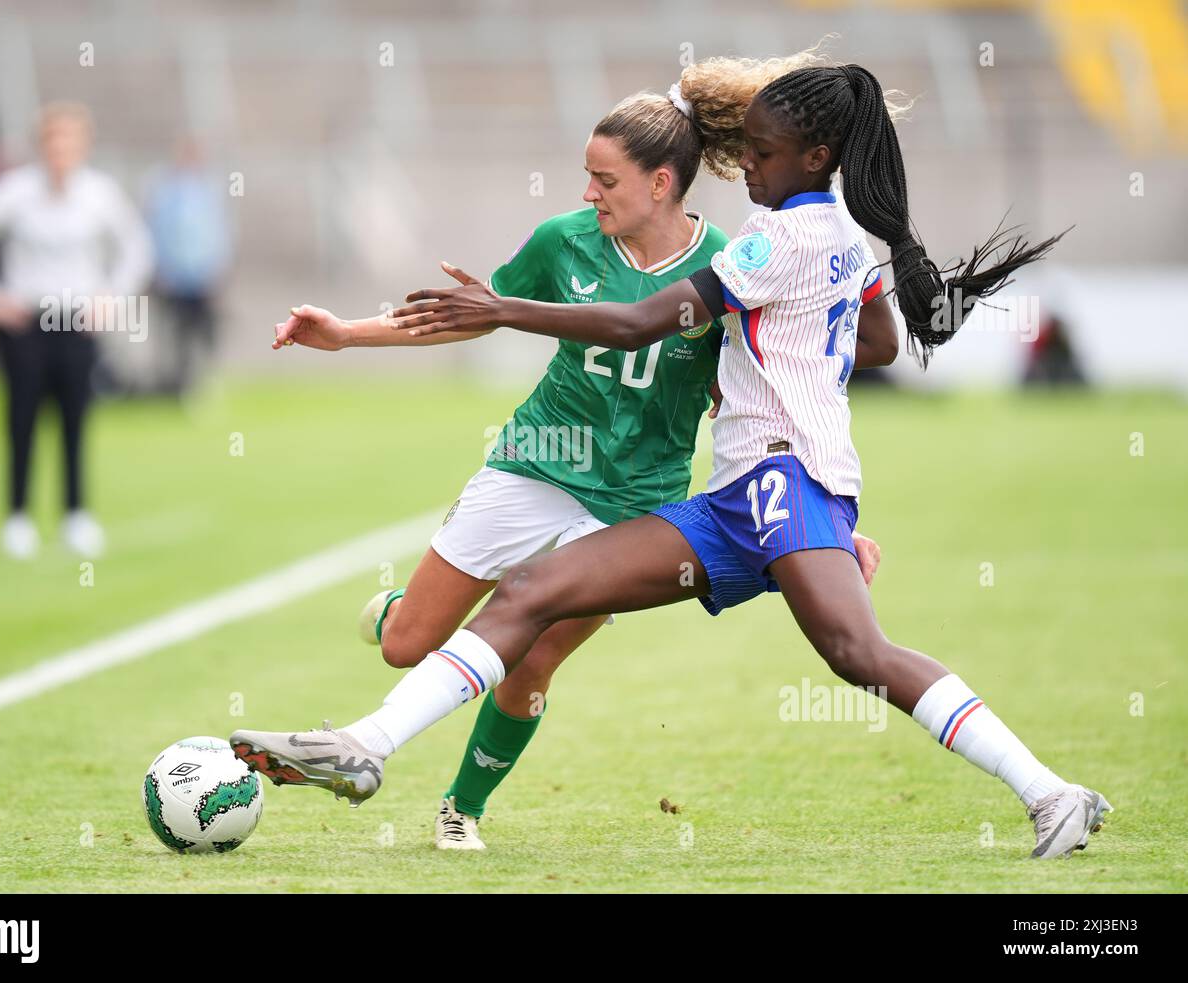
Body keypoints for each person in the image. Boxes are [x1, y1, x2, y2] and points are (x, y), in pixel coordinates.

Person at [233, 64, 1112, 861]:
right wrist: (801, 367)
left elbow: (639, 322)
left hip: (777, 486)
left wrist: (510, 313)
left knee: (857, 652)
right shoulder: (837, 233)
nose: (748, 171)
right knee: (532, 593)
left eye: (762, 156)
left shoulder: (769, 241)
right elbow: (874, 340)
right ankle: (363, 748)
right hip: (739, 497)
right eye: (744, 152)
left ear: (816, 153)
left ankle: (1050, 793)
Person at [261, 50, 883, 850]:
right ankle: (399, 614)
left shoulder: (729, 262)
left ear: (662, 183)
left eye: (605, 179)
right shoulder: (564, 241)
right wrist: (347, 335)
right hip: (535, 463)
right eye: (585, 176)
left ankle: (462, 809)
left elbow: (760, 385)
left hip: (634, 500)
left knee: (534, 651)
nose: (588, 194)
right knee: (405, 646)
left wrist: (820, 522)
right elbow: (477, 311)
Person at [0, 101, 153, 559]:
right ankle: (17, 516)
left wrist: (111, 298)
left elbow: (136, 247)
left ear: (83, 146)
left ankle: (76, 514)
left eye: (70, 141)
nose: (61, 151)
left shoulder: (99, 193)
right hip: (27, 322)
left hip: (75, 322)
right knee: (21, 418)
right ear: (42, 145)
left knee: (75, 417)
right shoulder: (15, 193)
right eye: (53, 141)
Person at [146, 136, 232, 396]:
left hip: (201, 277)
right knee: (174, 333)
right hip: (174, 278)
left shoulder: (209, 193)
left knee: (204, 331)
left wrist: (217, 271)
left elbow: (220, 235)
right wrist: (160, 269)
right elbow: (155, 232)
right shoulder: (164, 192)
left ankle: (203, 381)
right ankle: (174, 384)